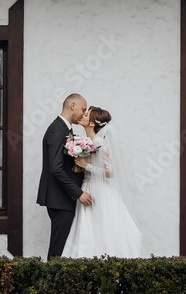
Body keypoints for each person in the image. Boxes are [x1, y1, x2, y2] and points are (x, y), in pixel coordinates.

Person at [62, 106, 143, 258]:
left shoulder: (99, 141)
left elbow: (110, 171)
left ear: (92, 123)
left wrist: (87, 166)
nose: (83, 115)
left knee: (101, 227)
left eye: (86, 114)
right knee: (88, 227)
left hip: (99, 189)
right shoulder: (87, 141)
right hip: (87, 186)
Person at [36, 93, 93, 259]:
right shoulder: (56, 130)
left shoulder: (64, 129)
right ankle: (51, 283)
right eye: (83, 109)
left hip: (62, 198)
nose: (83, 114)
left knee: (62, 247)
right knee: (58, 249)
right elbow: (56, 168)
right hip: (59, 199)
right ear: (73, 106)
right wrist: (79, 193)